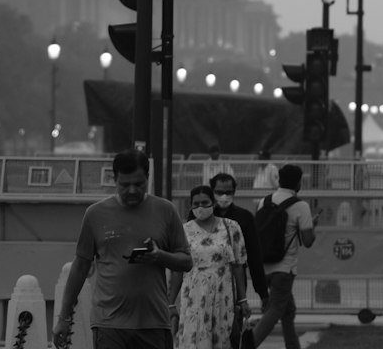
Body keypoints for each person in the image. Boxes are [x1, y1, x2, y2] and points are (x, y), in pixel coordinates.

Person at [54, 149, 192, 349]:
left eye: (139, 184)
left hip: (154, 324)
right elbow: (80, 266)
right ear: (114, 180)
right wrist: (64, 318)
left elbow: (186, 261)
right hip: (109, 325)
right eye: (125, 185)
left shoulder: (166, 211)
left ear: (148, 177)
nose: (132, 190)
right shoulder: (95, 214)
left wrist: (160, 257)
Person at [247, 163, 315, 349]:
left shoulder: (264, 201)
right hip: (284, 269)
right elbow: (308, 241)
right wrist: (311, 226)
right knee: (276, 310)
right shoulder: (301, 206)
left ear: (280, 179)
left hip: (263, 266)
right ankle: (249, 344)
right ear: (298, 183)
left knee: (288, 311)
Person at [172, 185, 248, 349]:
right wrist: (170, 302)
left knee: (220, 339)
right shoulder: (184, 231)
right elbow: (178, 269)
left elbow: (238, 266)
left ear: (213, 203)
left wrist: (243, 299)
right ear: (190, 206)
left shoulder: (231, 227)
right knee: (193, 339)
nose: (200, 207)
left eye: (205, 202)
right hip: (193, 296)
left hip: (222, 295)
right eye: (196, 204)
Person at [209, 172, 264, 346]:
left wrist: (262, 291)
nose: (224, 196)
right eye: (219, 192)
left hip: (235, 281)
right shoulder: (201, 215)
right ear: (212, 191)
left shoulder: (244, 218)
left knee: (233, 330)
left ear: (234, 192)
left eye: (228, 191)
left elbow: (254, 255)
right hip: (207, 280)